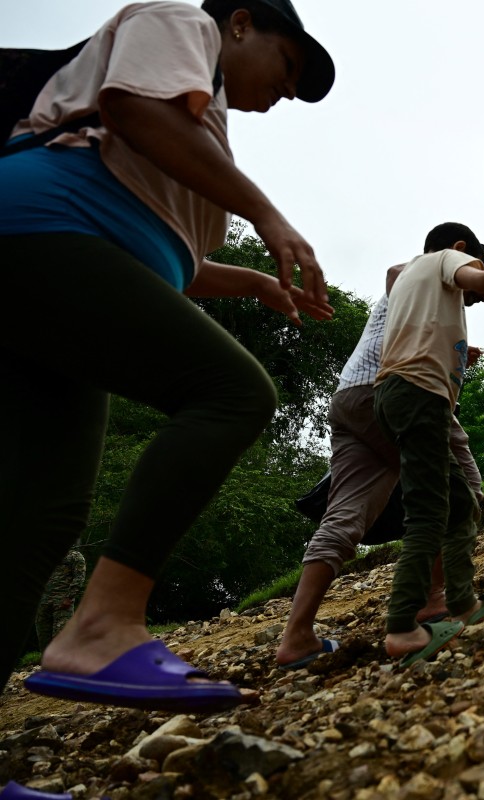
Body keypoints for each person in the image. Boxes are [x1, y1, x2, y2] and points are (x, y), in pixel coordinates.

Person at [0, 0, 335, 713]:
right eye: (289, 65)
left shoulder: (202, 135)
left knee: (41, 515)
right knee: (231, 390)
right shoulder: (182, 24)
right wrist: (268, 216)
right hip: (39, 229)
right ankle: (102, 629)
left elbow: (165, 260)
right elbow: (129, 108)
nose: (285, 91)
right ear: (242, 23)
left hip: (62, 263)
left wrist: (251, 283)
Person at [274, 252, 484, 671]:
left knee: (344, 516)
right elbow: (398, 270)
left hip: (350, 397)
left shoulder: (425, 305)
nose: (477, 299)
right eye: (479, 282)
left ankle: (296, 637)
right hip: (396, 394)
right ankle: (434, 600)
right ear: (464, 251)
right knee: (459, 486)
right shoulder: (426, 272)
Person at [374, 223, 484, 665]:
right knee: (429, 511)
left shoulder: (410, 275)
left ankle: (463, 601)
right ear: (461, 248)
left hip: (400, 396)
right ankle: (402, 627)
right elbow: (479, 279)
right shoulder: (444, 258)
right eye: (476, 259)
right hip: (417, 394)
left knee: (460, 499)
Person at [35, 547, 87, 651]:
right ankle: (47, 664)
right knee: (43, 638)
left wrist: (69, 597)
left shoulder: (74, 556)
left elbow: (79, 577)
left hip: (62, 602)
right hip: (43, 603)